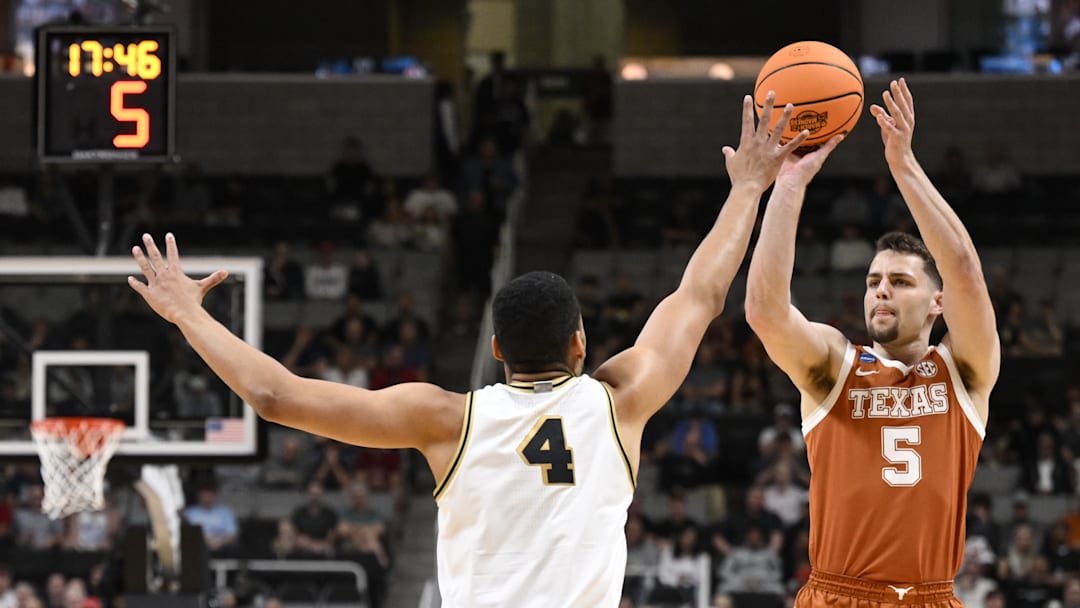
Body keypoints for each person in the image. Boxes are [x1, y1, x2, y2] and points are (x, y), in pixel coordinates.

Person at [126, 92, 809, 607]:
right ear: (580, 342)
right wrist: (750, 185)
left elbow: (276, 395)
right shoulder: (620, 401)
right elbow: (699, 295)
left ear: (496, 349)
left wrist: (190, 314)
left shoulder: (446, 418)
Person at [744, 78, 999, 606]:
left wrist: (903, 165)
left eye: (901, 282)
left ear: (937, 303)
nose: (881, 290)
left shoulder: (965, 371)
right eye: (873, 281)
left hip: (932, 595)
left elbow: (966, 274)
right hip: (839, 594)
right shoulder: (835, 364)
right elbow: (765, 312)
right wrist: (789, 184)